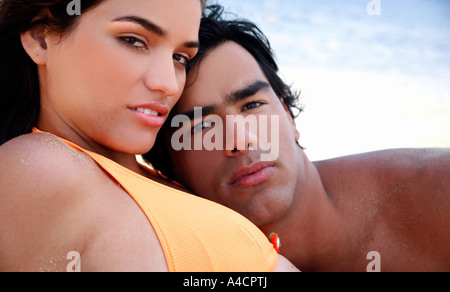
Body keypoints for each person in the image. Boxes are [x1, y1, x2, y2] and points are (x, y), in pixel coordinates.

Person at [0, 0, 298, 272]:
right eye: (133, 40)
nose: (168, 84)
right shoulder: (36, 169)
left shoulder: (148, 182)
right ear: (41, 36)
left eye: (180, 57)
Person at [146, 5, 450, 272]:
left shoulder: (437, 194)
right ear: (171, 170)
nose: (240, 140)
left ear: (289, 117)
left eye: (252, 105)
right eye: (201, 127)